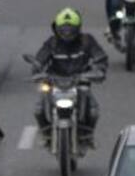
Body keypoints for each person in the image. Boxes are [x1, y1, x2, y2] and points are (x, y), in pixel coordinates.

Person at [31, 9, 108, 146]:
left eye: (70, 29)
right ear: (56, 28)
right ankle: (45, 133)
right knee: (38, 109)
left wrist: (99, 69)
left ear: (78, 28)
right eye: (63, 29)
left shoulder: (87, 41)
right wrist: (36, 68)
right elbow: (40, 58)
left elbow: (99, 56)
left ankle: (88, 135)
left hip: (80, 81)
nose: (67, 33)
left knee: (94, 110)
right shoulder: (52, 43)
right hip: (54, 81)